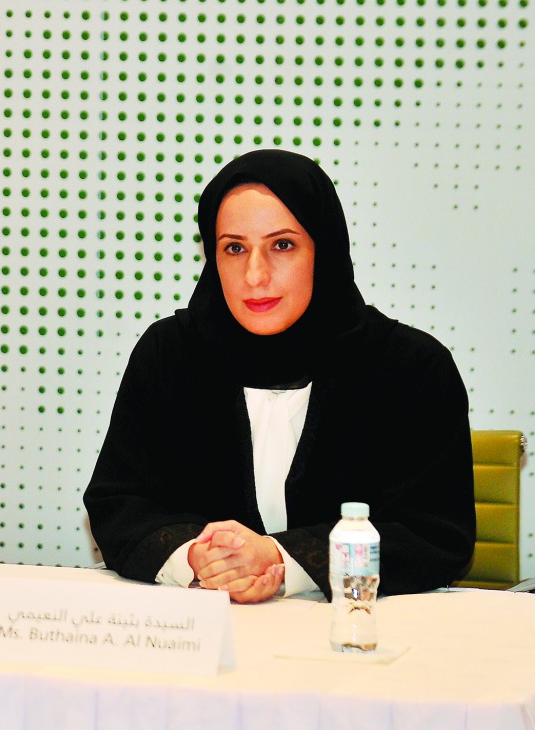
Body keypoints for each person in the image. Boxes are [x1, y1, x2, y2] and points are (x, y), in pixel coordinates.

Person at [83, 149, 475, 604]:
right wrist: (196, 558)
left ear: (323, 250)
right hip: (203, 624)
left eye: (282, 245)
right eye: (234, 248)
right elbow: (119, 505)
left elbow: (433, 534)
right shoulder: (169, 356)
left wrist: (280, 558)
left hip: (355, 630)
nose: (255, 275)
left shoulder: (411, 369)